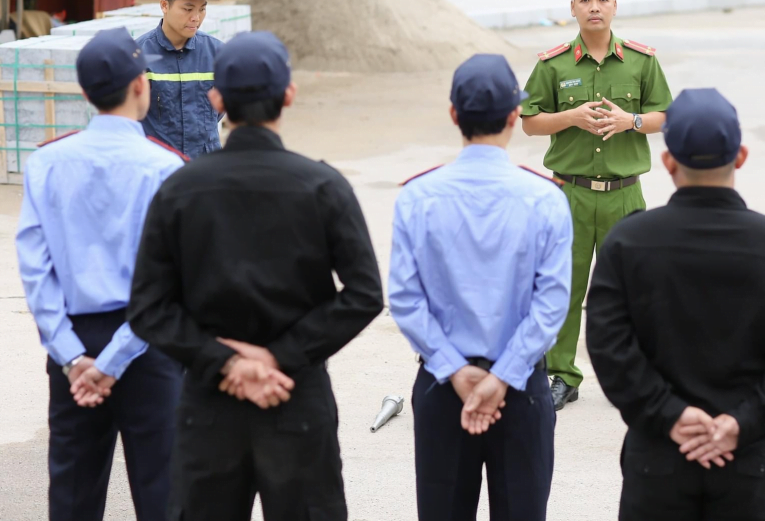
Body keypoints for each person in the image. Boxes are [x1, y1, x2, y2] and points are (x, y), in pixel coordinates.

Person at [127, 31, 384, 521]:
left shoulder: (180, 189)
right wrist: (280, 356)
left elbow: (148, 307)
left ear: (216, 98)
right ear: (289, 95)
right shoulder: (322, 186)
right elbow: (364, 294)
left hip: (209, 402)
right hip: (296, 396)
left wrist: (225, 361)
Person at [586, 88, 765, 521]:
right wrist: (743, 422)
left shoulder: (628, 242)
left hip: (657, 457)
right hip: (748, 460)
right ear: (741, 156)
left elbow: (608, 344)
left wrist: (670, 415)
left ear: (667, 160)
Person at [389, 53, 572, 521]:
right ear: (515, 117)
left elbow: (406, 300)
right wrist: (502, 376)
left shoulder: (418, 196)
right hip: (522, 388)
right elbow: (551, 304)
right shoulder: (545, 198)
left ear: (454, 115)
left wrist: (456, 371)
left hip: (442, 386)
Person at [16, 27, 187, 521]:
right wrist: (115, 359)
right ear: (140, 85)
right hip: (147, 342)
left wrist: (73, 358)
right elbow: (169, 281)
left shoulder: (47, 162)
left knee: (72, 494)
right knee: (163, 495)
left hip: (74, 343)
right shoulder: (165, 168)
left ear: (86, 93)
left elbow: (35, 268)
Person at [521, 0, 673, 409]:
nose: (593, 7)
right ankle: (562, 374)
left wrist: (633, 121)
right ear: (572, 7)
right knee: (563, 287)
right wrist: (569, 117)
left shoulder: (642, 61)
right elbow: (529, 122)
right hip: (568, 194)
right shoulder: (552, 65)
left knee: (631, 289)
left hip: (625, 194)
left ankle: (633, 373)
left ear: (614, 5)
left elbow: (667, 115)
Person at [136, 0, 224, 158]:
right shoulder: (138, 55)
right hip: (159, 168)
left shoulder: (217, 53)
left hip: (205, 167)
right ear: (164, 6)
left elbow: (219, 111)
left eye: (202, 9)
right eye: (188, 9)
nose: (196, 17)